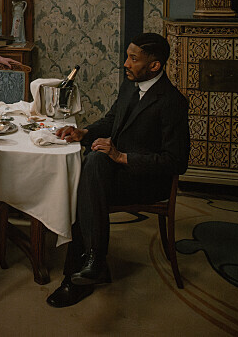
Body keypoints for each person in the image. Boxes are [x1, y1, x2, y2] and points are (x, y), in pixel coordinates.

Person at [46, 32, 190, 307]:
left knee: (86, 185)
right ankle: (93, 262)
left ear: (154, 65)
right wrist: (83, 132)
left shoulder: (173, 102)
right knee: (92, 167)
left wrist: (122, 157)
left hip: (147, 182)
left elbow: (176, 161)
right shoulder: (130, 86)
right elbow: (112, 121)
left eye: (133, 59)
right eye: (127, 56)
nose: (125, 63)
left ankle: (77, 277)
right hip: (116, 172)